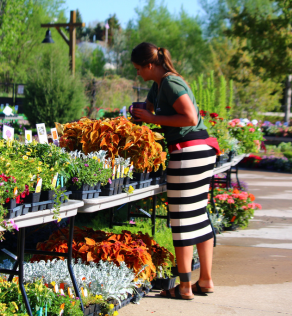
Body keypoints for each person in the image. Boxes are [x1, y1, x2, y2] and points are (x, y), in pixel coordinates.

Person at [131, 42, 219, 300]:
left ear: (150, 65)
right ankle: (206, 280)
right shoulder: (159, 85)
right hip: (198, 152)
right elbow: (147, 110)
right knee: (199, 216)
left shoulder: (171, 83)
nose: (137, 73)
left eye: (138, 68)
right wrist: (140, 115)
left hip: (188, 152)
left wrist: (153, 119)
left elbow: (190, 118)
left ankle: (184, 287)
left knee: (181, 220)